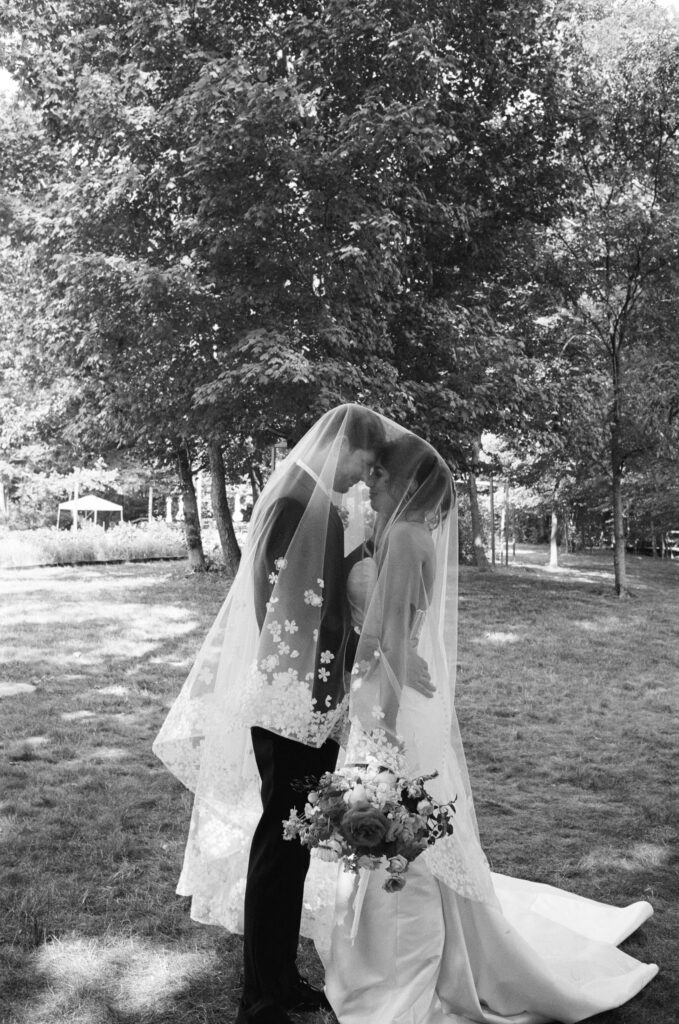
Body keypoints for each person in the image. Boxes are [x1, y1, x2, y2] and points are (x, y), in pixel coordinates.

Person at [314, 426, 658, 1024]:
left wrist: (381, 725)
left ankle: (404, 964)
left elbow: (390, 636)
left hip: (390, 702)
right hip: (395, 689)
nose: (371, 485)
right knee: (417, 823)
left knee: (402, 818)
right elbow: (400, 632)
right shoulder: (411, 533)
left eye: (380, 477)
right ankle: (406, 944)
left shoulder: (402, 536)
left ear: (400, 480)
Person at [152, 405, 432, 1024]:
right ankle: (263, 996)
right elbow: (283, 611)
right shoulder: (293, 503)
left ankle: (279, 979)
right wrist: (361, 652)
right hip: (289, 703)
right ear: (343, 448)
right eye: (364, 462)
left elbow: (327, 603)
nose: (365, 477)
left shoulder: (318, 502)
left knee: (295, 843)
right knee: (280, 846)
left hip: (314, 698)